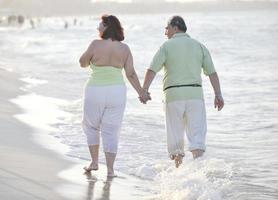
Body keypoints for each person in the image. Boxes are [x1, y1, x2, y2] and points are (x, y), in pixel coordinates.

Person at [142, 16, 224, 168]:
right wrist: (218, 94)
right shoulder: (199, 46)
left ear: (175, 27)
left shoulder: (166, 46)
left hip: (173, 96)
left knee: (175, 140)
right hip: (195, 97)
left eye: (166, 28)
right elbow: (212, 73)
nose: (165, 32)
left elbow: (152, 69)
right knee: (197, 138)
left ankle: (178, 176)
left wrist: (144, 90)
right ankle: (198, 174)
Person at [79, 15, 149, 177]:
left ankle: (94, 162)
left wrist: (91, 58)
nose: (98, 28)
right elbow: (130, 73)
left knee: (91, 126)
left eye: (100, 25)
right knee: (111, 130)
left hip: (95, 90)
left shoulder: (95, 44)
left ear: (106, 26)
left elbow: (82, 63)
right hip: (117, 92)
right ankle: (110, 170)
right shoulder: (124, 48)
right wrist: (141, 93)